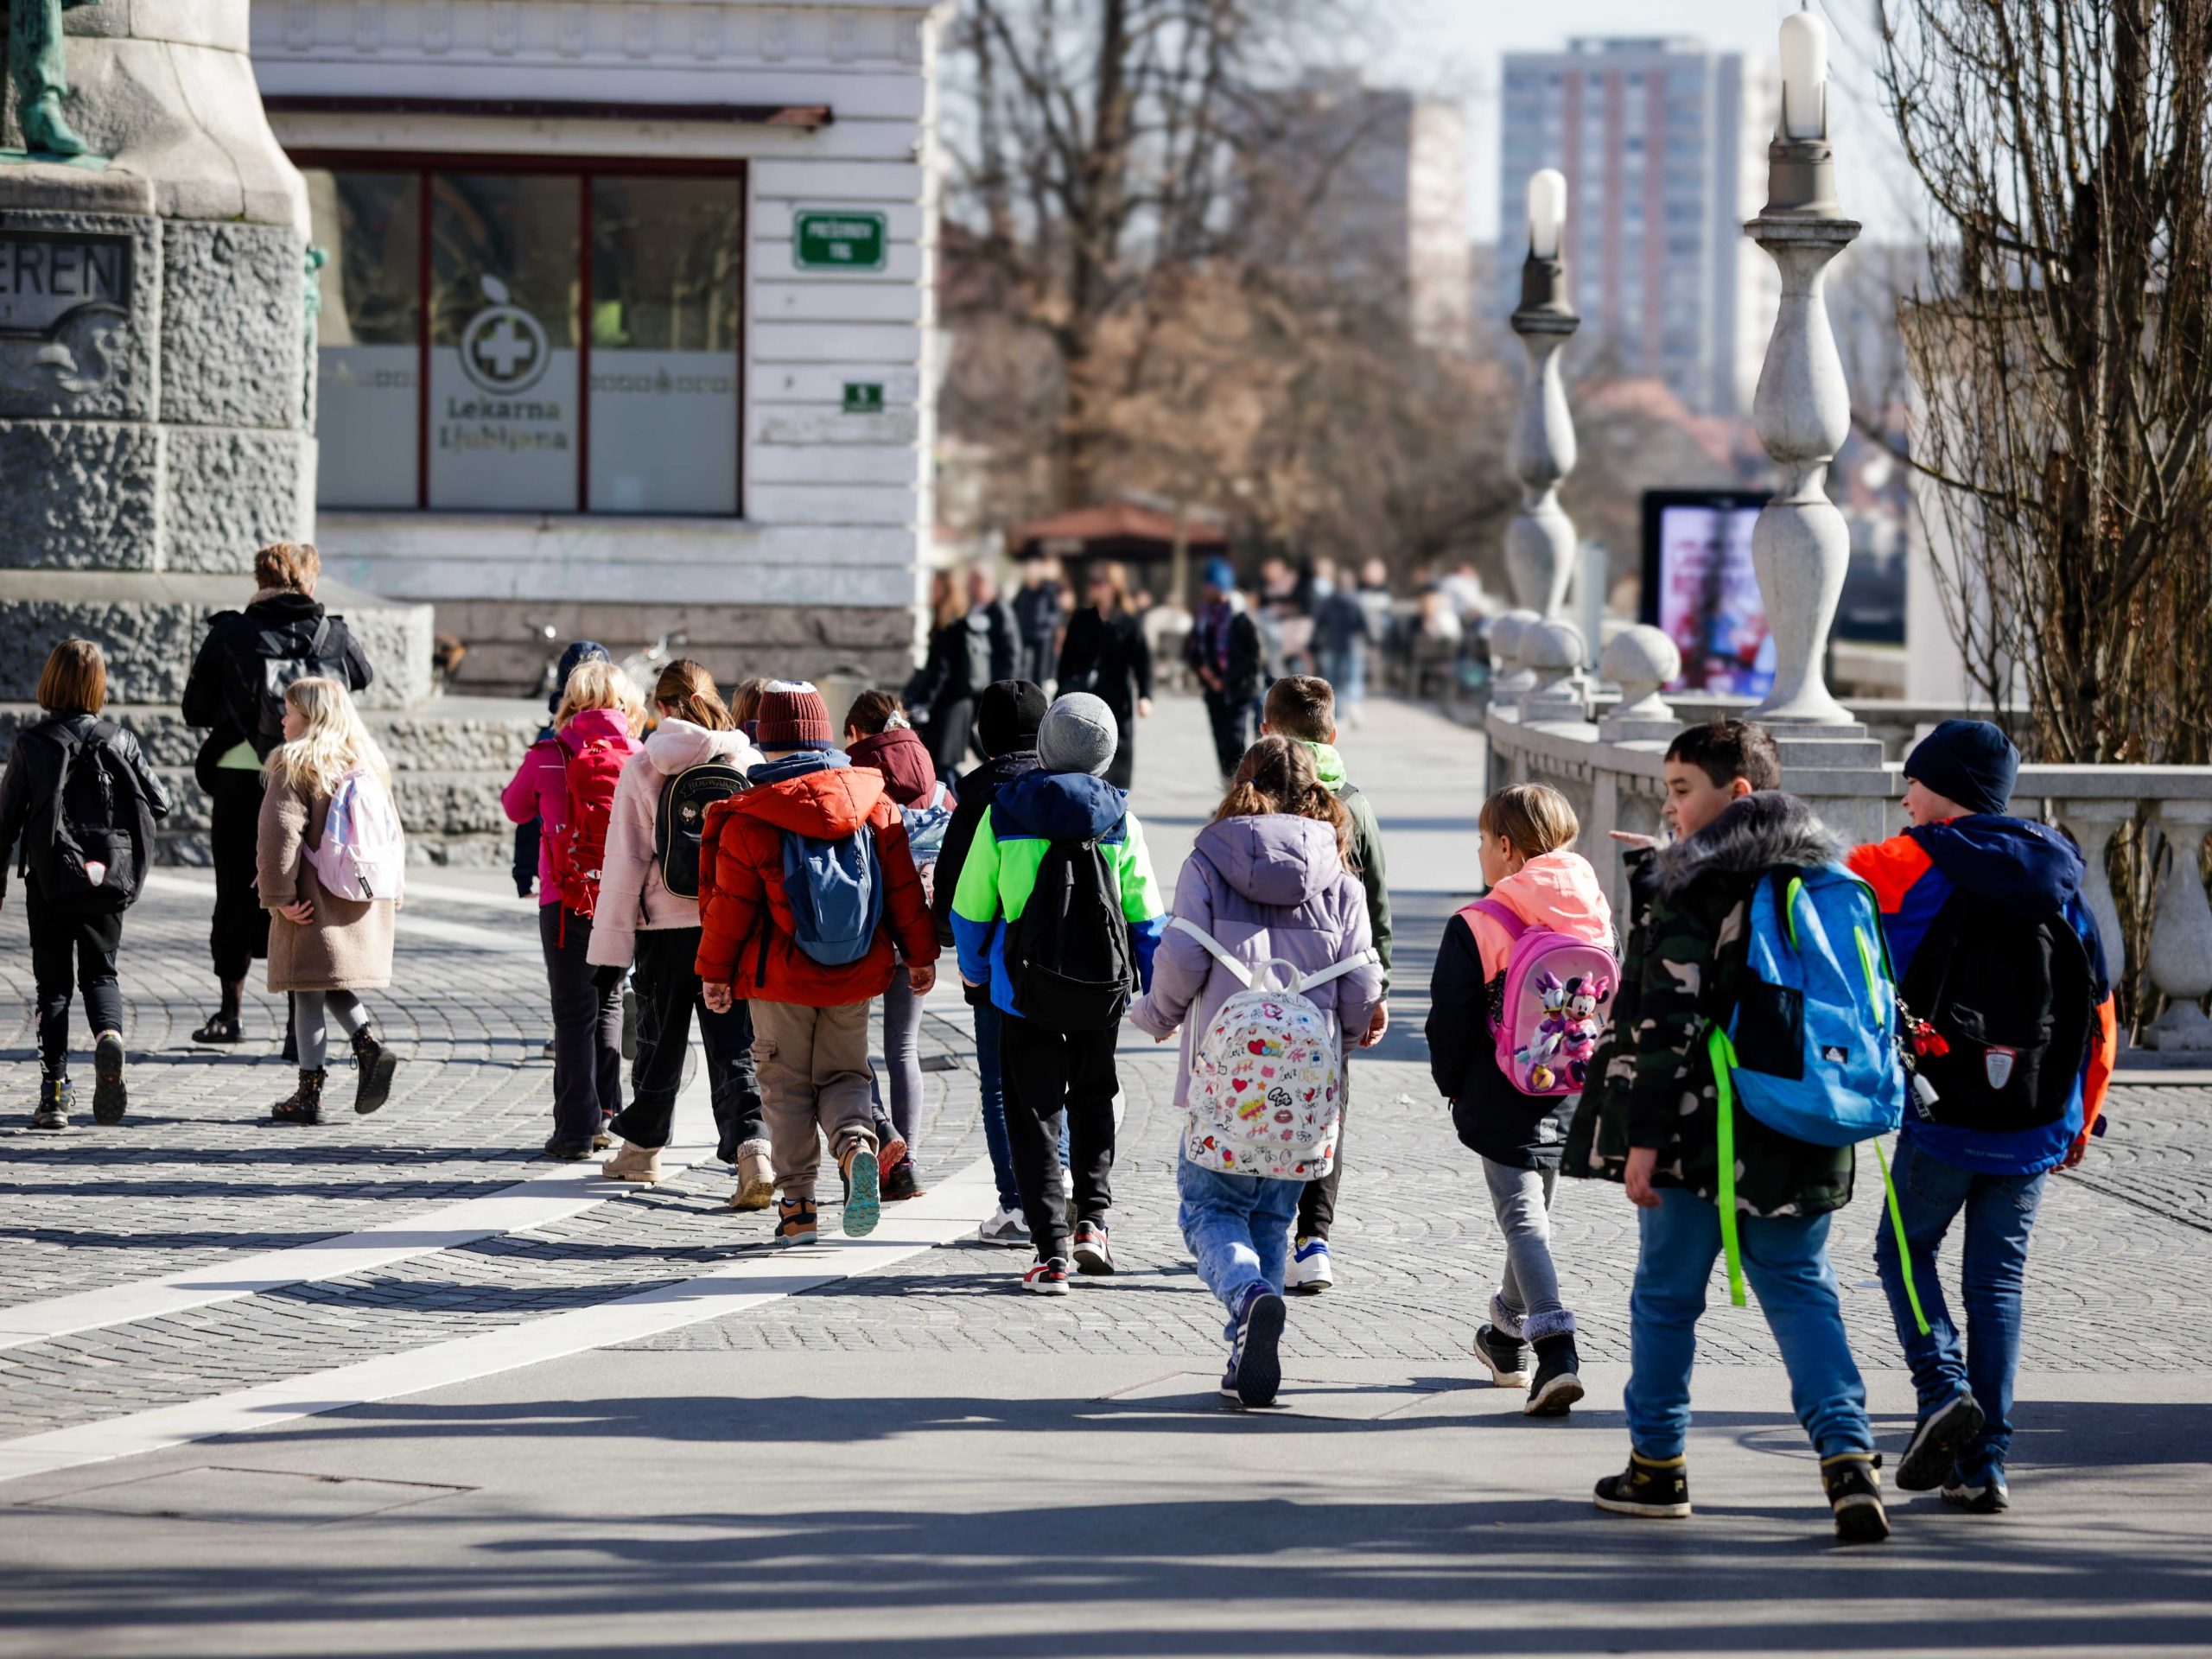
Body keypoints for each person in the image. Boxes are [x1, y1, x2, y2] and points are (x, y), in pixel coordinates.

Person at [1566, 721, 1890, 1544]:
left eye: (1681, 791)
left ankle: (1656, 1466)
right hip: (1804, 1126)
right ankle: (1848, 1457)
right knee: (1803, 1291)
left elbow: (1664, 1027)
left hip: (1697, 1136)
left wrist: (1639, 1143)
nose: (1669, 808)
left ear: (1736, 794)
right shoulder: (1824, 874)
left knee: (1667, 1300)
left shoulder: (1693, 887)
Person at [1848, 719, 2116, 1516]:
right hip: (2036, 1117)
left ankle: (1941, 1391)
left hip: (1943, 1111)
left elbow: (1810, 888)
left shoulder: (1905, 861)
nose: (1905, 795)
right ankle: (1985, 1462)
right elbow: (2100, 1014)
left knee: (1903, 1252)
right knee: (1997, 1283)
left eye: (1916, 782)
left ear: (1950, 790)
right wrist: (2079, 1121)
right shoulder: (2060, 874)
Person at [1130, 737, 1383, 1406]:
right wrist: (1354, 1029)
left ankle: (1247, 1297)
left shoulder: (1209, 861)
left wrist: (1157, 1016)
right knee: (1274, 1217)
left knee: (1209, 1206)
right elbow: (1361, 984)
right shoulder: (1342, 877)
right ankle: (1249, 1347)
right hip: (1302, 1093)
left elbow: (1181, 956)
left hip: (1226, 1082)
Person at [694, 682, 938, 1245]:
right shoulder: (873, 803)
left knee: (784, 1089)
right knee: (846, 1075)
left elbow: (730, 911)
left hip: (777, 981)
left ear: (766, 738)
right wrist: (921, 956)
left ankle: (799, 1208)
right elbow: (903, 890)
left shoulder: (750, 818)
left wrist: (714, 975)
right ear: (823, 734)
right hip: (854, 973)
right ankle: (856, 1146)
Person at [950, 692, 1166, 1293]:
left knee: (1033, 1113)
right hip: (1100, 989)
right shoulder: (1121, 819)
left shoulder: (1004, 812)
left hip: (1023, 988)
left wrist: (974, 969)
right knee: (1095, 1096)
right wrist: (1155, 991)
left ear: (1044, 745)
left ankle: (1049, 1253)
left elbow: (971, 908)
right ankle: (1093, 1221)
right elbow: (1146, 916)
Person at [1427, 783, 1612, 1415]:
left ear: (1505, 848)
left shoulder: (1482, 922)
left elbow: (1448, 1019)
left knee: (1523, 1218)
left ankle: (1556, 1350)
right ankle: (1506, 1335)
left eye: (1482, 840)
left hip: (1500, 1088)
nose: (1479, 851)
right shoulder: (1594, 911)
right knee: (1530, 1217)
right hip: (1568, 1084)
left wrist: (1454, 1087)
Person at [590, 661, 772, 1205]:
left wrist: (610, 953)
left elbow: (624, 867)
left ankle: (642, 1150)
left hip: (664, 929)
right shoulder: (746, 759)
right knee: (734, 1044)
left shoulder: (644, 766)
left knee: (658, 1039)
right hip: (730, 924)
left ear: (663, 708)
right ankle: (753, 1153)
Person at [180, 541, 374, 1049]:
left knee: (235, 889)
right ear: (309, 581)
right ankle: (298, 1026)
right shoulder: (334, 633)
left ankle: (230, 1012)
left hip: (242, 774)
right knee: (307, 889)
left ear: (259, 579)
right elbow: (365, 678)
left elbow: (195, 708)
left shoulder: (231, 632)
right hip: (317, 774)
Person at [1257, 676, 1392, 1293]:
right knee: (1325, 1115)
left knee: (1255, 1106)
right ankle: (1314, 1239)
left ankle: (1261, 1229)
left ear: (1265, 732)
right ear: (1332, 734)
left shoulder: (1253, 799)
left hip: (1256, 987)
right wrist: (1377, 990)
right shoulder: (1355, 805)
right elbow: (1378, 907)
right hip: (1331, 991)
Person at [0, 639, 170, 1129]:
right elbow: (158, 801)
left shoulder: (32, 743)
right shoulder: (119, 739)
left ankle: (53, 1095)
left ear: (50, 681)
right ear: (98, 686)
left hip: (51, 880)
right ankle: (109, 1038)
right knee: (100, 974)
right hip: (106, 877)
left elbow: (6, 822)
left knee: (52, 987)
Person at [501, 659, 645, 1159]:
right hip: (623, 898)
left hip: (565, 900)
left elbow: (515, 807)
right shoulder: (641, 755)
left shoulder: (550, 752)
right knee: (608, 1000)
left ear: (572, 701)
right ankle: (607, 1110)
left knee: (572, 1015)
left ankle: (573, 1131)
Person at [931, 679, 1050, 1248]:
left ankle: (1019, 1204)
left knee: (1002, 1085)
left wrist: (959, 956)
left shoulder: (980, 795)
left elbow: (957, 890)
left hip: (1000, 968)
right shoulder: (1074, 790)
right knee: (1060, 1082)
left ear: (986, 735)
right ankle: (1062, 1187)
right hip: (1070, 965)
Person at [256, 677, 404, 1125]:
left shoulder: (294, 761)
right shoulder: (366, 761)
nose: (283, 718)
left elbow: (279, 833)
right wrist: (394, 890)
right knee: (330, 979)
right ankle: (366, 1046)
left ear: (312, 716)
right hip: (360, 894)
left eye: (290, 711)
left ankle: (309, 1095)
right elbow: (394, 832)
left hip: (312, 898)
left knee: (306, 991)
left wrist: (277, 896)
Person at [843, 687, 950, 1200]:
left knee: (849, 1048)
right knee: (903, 1047)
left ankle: (881, 1130)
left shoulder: (857, 782)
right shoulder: (939, 787)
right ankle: (907, 1162)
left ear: (855, 734)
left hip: (866, 934)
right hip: (919, 935)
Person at [512, 642, 611, 901]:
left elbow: (523, 809)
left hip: (558, 874)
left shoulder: (549, 743)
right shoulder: (629, 744)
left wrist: (523, 873)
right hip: (612, 874)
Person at [1054, 560, 1154, 790]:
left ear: (1113, 586)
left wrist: (1145, 696)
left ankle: (1115, 802)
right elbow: (1066, 662)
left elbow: (1142, 663)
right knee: (1084, 752)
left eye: (1099, 582)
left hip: (1118, 699)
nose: (1093, 587)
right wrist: (1062, 693)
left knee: (1119, 752)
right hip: (1085, 698)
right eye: (1092, 582)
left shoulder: (1128, 622)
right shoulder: (1081, 619)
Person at [906, 569, 1016, 776]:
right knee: (945, 766)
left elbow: (941, 670)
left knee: (942, 767)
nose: (931, 591)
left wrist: (924, 704)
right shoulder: (960, 621)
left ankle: (963, 804)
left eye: (934, 586)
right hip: (960, 703)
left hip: (948, 705)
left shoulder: (949, 625)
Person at [1184, 560, 1264, 784]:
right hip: (1214, 691)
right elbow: (1191, 649)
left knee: (1235, 740)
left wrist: (1226, 680)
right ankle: (1230, 791)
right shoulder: (1204, 617)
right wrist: (1206, 674)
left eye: (1209, 584)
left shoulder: (1240, 619)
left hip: (1239, 690)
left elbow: (1252, 658)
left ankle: (1243, 792)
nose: (1205, 589)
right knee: (1222, 743)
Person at [1307, 559, 1373, 728]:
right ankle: (1354, 709)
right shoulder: (1356, 601)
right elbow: (1364, 624)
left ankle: (1336, 713)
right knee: (1353, 679)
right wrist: (1371, 639)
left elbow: (1319, 624)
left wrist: (1313, 643)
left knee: (1332, 681)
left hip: (1331, 645)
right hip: (1352, 645)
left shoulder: (1328, 601)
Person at [1011, 556, 1065, 687]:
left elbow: (1056, 612)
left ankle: (1038, 692)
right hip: (1025, 633)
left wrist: (1046, 623)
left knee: (1040, 670)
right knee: (1022, 666)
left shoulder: (1047, 590)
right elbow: (1014, 609)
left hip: (1042, 635)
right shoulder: (1024, 591)